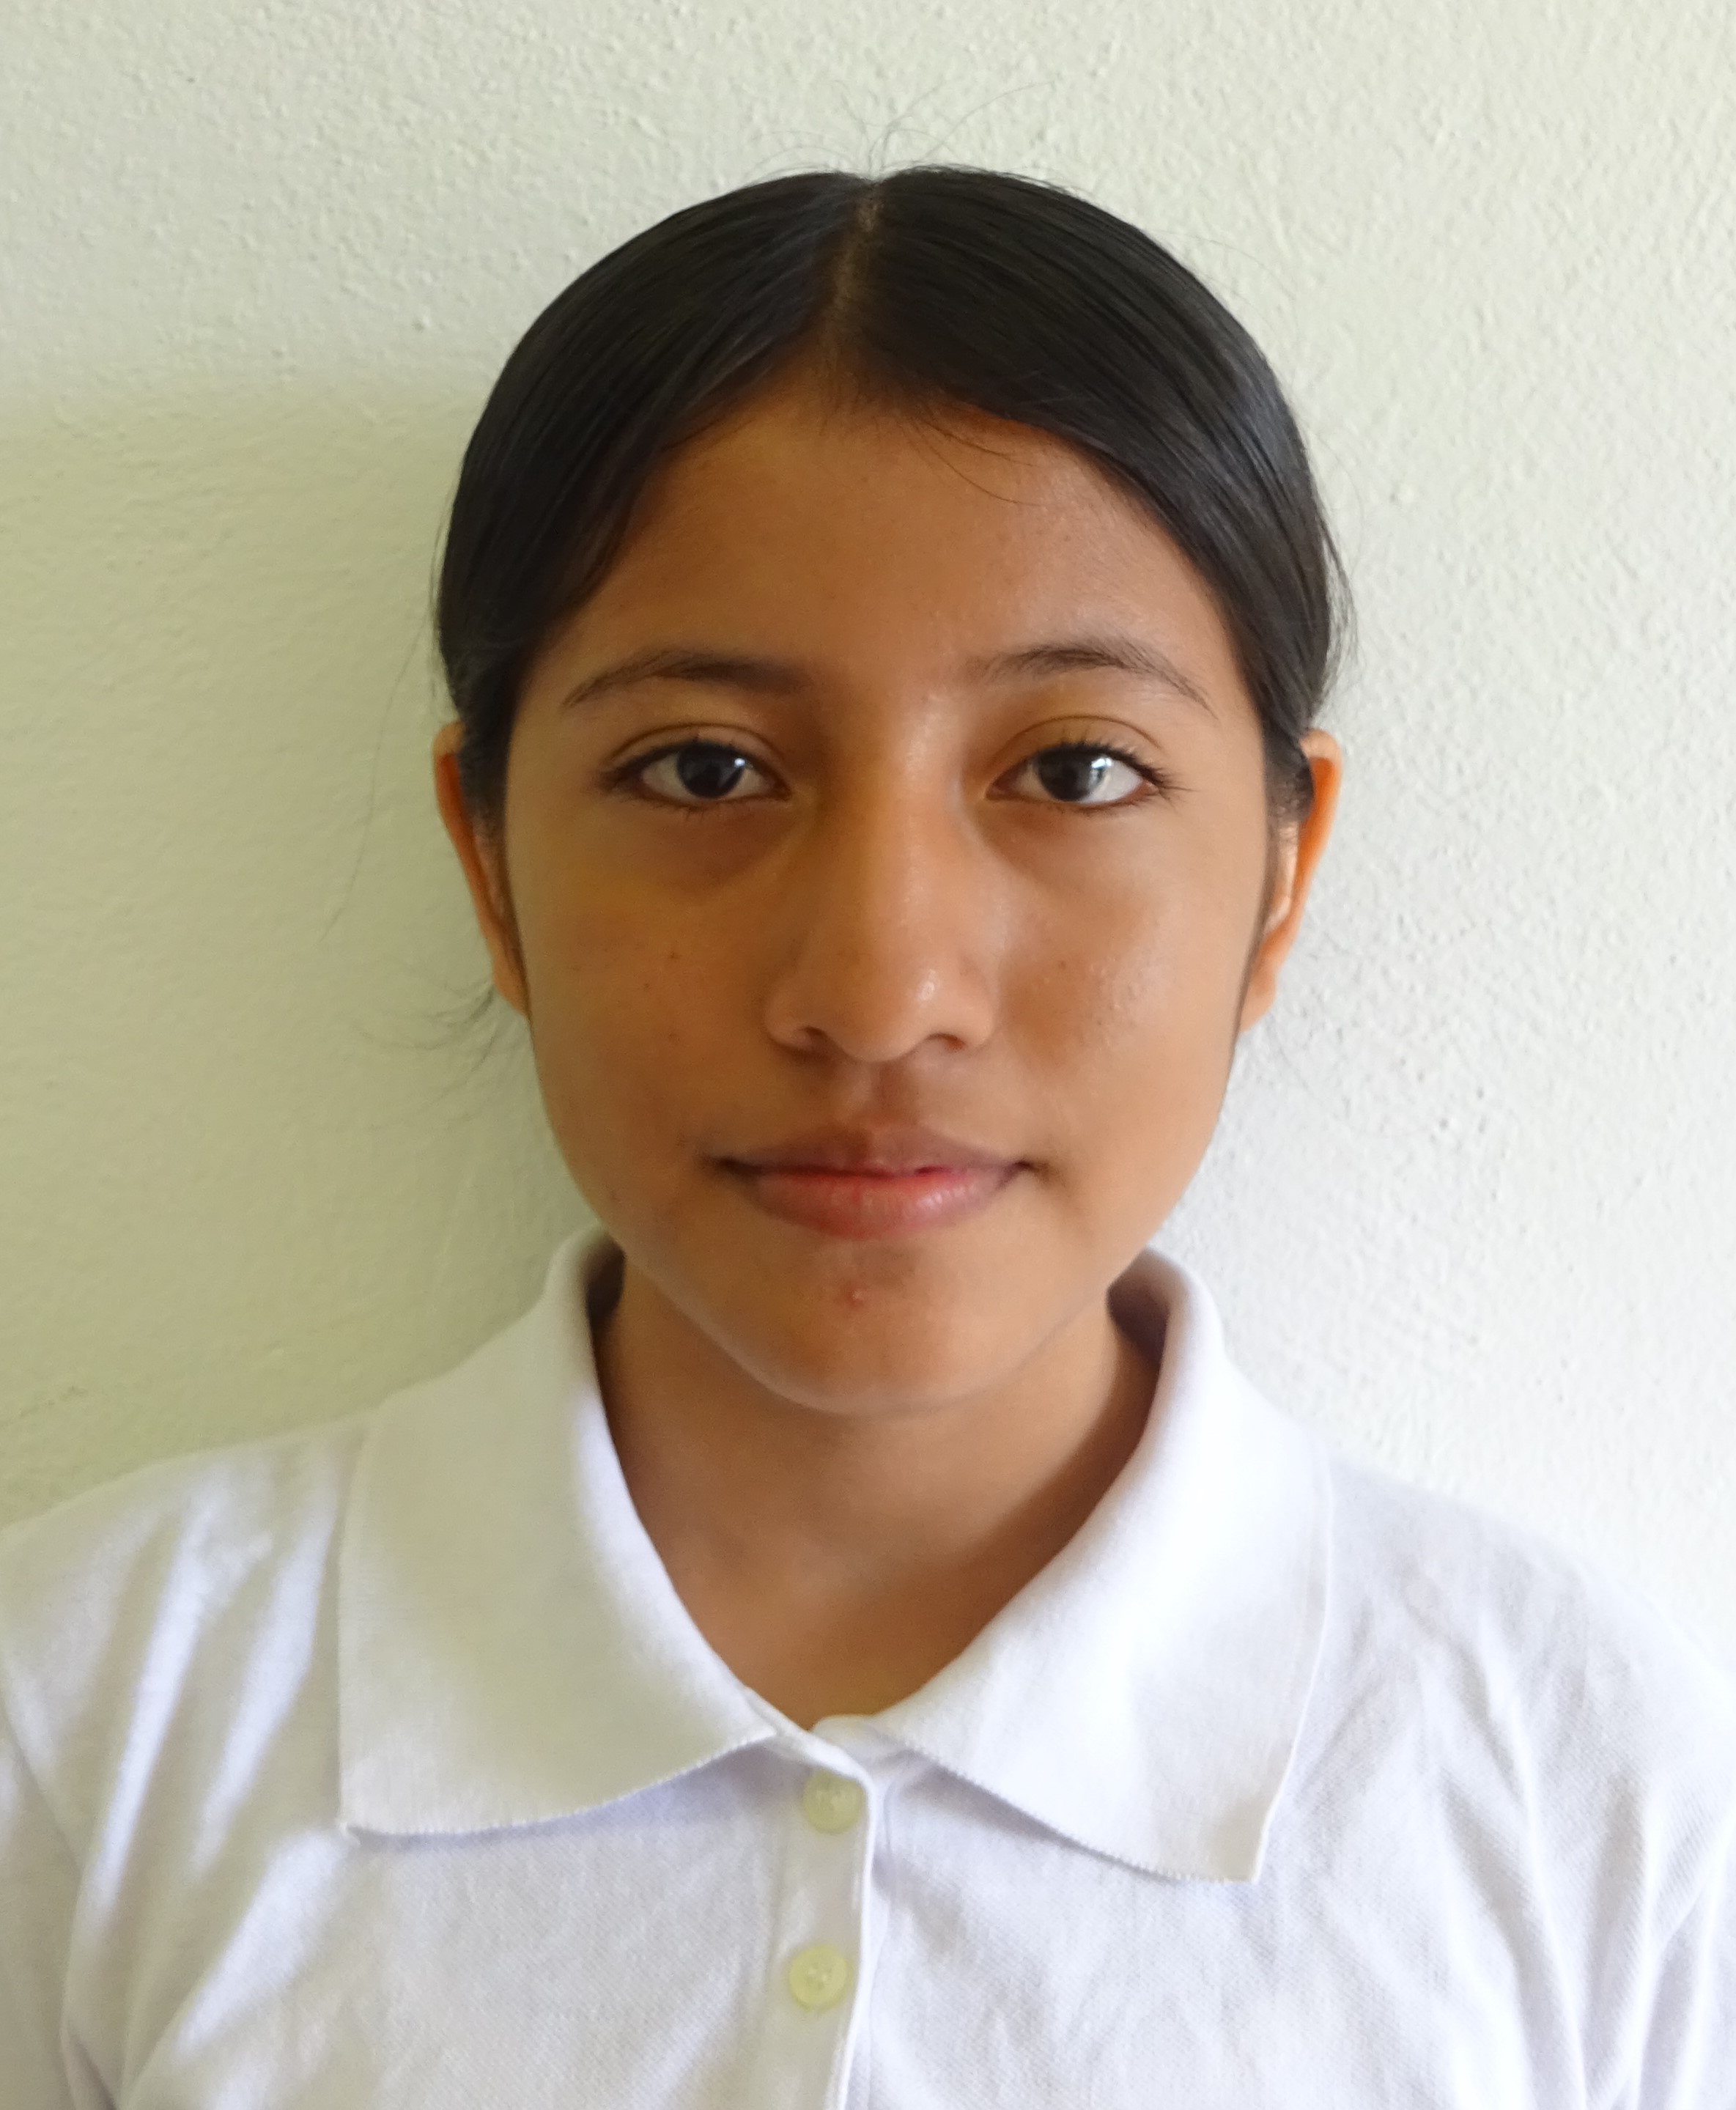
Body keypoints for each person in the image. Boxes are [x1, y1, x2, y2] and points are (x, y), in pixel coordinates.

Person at [1, 165, 1731, 2109]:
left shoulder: (1594, 1801)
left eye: (1074, 769)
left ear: (1278, 876)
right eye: (704, 770)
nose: (882, 990)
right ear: (488, 863)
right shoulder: (80, 1732)